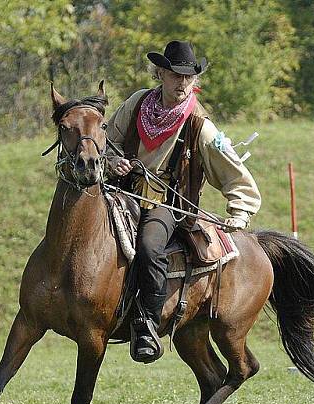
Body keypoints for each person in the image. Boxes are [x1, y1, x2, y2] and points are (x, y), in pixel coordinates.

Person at [106, 39, 262, 364]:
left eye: (188, 77)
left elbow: (234, 171)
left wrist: (240, 212)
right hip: (123, 190)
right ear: (160, 73)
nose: (182, 83)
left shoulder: (200, 125)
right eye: (176, 75)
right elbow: (108, 141)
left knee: (149, 246)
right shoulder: (137, 103)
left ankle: (146, 325)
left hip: (167, 203)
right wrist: (111, 160)